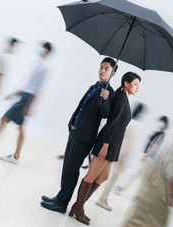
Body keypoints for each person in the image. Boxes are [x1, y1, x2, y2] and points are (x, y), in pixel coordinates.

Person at [40, 57, 117, 214]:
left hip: (84, 137)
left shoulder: (109, 93)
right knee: (67, 167)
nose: (102, 70)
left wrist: (105, 99)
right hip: (75, 131)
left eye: (107, 68)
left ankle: (62, 203)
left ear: (113, 73)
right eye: (101, 67)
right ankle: (60, 197)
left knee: (72, 169)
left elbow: (106, 114)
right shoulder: (94, 86)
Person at [69, 72, 141, 225]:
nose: (137, 88)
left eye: (138, 85)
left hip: (114, 143)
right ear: (126, 83)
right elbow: (112, 122)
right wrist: (106, 144)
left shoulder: (123, 98)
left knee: (103, 177)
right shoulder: (122, 98)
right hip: (108, 141)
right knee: (92, 175)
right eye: (135, 84)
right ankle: (78, 207)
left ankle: (78, 206)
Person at [0, 42, 53, 164]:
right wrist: (14, 94)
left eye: (44, 49)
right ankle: (16, 156)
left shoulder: (44, 67)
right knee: (20, 127)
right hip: (24, 97)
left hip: (26, 100)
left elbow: (37, 89)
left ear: (48, 52)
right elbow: (28, 85)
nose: (41, 50)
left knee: (3, 121)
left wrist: (28, 106)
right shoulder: (36, 64)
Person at [121, 120, 173, 227]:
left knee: (133, 219)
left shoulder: (166, 139)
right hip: (157, 195)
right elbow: (170, 175)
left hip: (147, 189)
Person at [95, 103, 145, 211]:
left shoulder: (128, 121)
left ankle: (100, 197)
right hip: (122, 156)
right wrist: (126, 158)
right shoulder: (136, 125)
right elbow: (131, 144)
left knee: (106, 175)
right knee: (112, 178)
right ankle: (102, 199)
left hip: (117, 151)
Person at [113, 115, 169, 195]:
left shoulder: (162, 135)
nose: (160, 123)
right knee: (141, 175)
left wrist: (146, 155)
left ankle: (121, 188)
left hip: (150, 158)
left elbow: (155, 146)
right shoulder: (157, 132)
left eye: (162, 122)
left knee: (137, 174)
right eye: (159, 121)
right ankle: (135, 193)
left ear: (166, 124)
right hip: (148, 156)